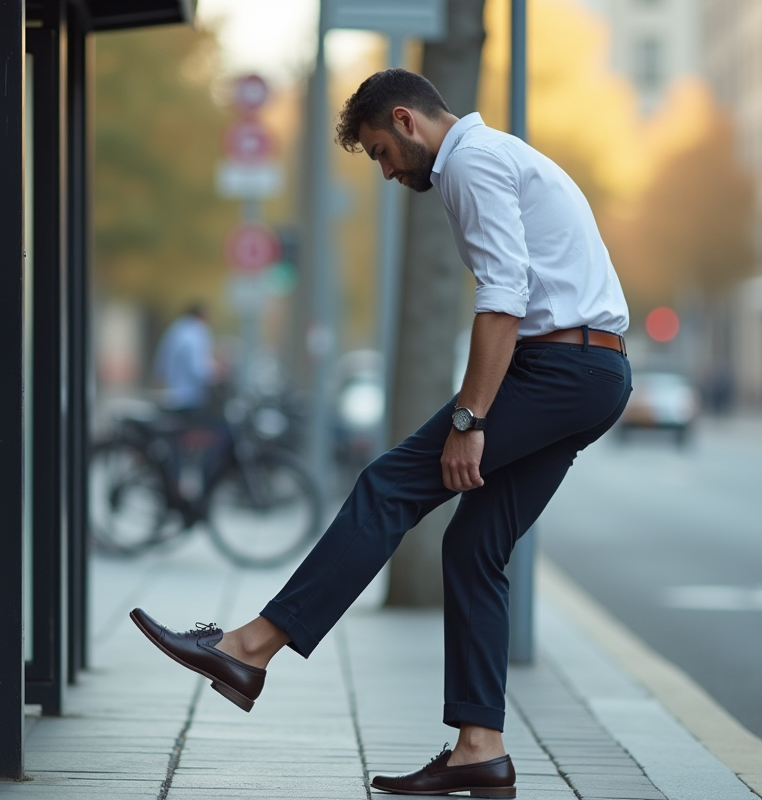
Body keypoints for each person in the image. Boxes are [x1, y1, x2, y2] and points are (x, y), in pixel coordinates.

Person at [130, 69, 632, 798]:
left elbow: (503, 298)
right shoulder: (493, 158)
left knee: (388, 484)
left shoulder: (472, 162)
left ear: (406, 120)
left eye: (379, 152)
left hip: (559, 367)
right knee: (473, 547)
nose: (387, 171)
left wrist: (470, 420)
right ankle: (478, 751)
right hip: (592, 371)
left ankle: (249, 649)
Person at [152, 301, 217, 416]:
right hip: (189, 396)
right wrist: (216, 374)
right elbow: (198, 369)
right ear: (201, 315)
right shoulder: (196, 331)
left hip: (172, 393)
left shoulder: (177, 328)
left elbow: (162, 362)